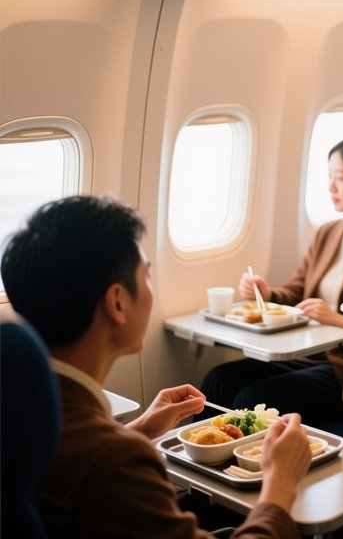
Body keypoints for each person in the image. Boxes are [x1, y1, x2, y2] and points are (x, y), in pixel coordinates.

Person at [1, 195, 310, 539]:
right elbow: (99, 466)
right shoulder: (116, 463)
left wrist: (140, 429)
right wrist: (280, 486)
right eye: (146, 276)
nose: (151, 289)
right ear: (117, 302)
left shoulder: (23, 409)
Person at [201, 135, 343, 425]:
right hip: (308, 354)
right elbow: (298, 291)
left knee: (252, 398)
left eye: (341, 178)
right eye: (330, 176)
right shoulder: (328, 233)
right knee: (218, 380)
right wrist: (267, 293)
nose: (331, 186)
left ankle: (243, 455)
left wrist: (341, 321)